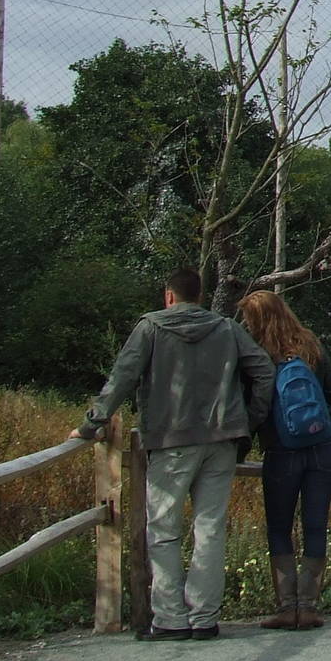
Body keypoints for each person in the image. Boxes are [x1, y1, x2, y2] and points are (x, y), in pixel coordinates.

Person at [70, 267, 274, 642]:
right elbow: (264, 371)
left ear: (168, 296)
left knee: (164, 530)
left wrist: (90, 424)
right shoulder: (227, 328)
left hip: (170, 441)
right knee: (209, 529)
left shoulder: (150, 328)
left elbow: (123, 377)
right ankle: (204, 618)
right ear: (199, 294)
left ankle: (170, 618)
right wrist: (248, 421)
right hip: (222, 439)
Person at [236, 289, 331, 632]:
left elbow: (253, 408)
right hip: (323, 450)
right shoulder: (310, 344)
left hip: (281, 452)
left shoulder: (257, 354)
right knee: (315, 525)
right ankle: (309, 606)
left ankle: (287, 607)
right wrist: (327, 434)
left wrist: (246, 443)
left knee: (280, 528)